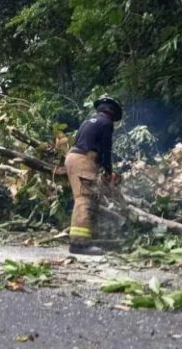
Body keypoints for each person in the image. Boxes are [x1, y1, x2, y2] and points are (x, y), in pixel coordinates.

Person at [65, 95, 123, 255]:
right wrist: (109, 172)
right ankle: (79, 244)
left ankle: (87, 237)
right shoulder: (106, 122)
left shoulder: (88, 121)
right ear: (113, 112)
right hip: (83, 160)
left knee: (89, 198)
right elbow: (106, 149)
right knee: (84, 199)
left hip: (73, 158)